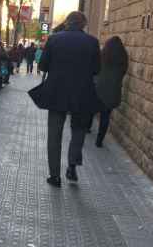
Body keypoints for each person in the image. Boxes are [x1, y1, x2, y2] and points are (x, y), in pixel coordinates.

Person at [38, 11, 101, 187]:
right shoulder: (92, 42)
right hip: (82, 93)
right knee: (79, 130)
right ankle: (72, 165)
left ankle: (55, 175)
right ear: (83, 24)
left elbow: (43, 65)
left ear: (67, 22)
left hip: (57, 92)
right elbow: (96, 69)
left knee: (54, 134)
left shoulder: (54, 39)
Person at [94, 36, 128, 147]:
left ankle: (87, 128)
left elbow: (96, 68)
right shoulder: (123, 57)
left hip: (99, 86)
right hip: (113, 89)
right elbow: (124, 72)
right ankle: (99, 140)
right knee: (106, 116)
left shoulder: (102, 54)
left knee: (91, 109)